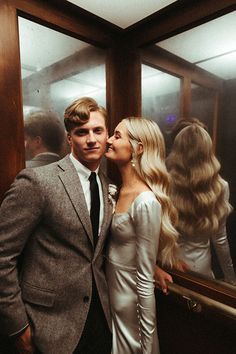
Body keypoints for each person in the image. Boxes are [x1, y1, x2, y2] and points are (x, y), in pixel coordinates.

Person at [0, 97, 113, 354]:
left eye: (98, 130)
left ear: (107, 134)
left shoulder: (107, 184)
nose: (91, 139)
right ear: (69, 138)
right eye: (81, 132)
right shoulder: (38, 181)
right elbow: (3, 255)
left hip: (100, 319)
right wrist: (17, 325)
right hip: (48, 325)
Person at [105, 117, 179, 354]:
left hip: (130, 308)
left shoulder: (146, 202)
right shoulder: (117, 189)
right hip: (112, 299)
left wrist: (147, 346)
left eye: (117, 136)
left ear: (139, 148)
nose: (108, 140)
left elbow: (145, 283)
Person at [167, 122, 236, 284]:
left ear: (177, 151)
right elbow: (220, 240)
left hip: (173, 266)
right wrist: (232, 280)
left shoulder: (167, 183)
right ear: (207, 151)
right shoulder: (221, 186)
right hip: (202, 269)